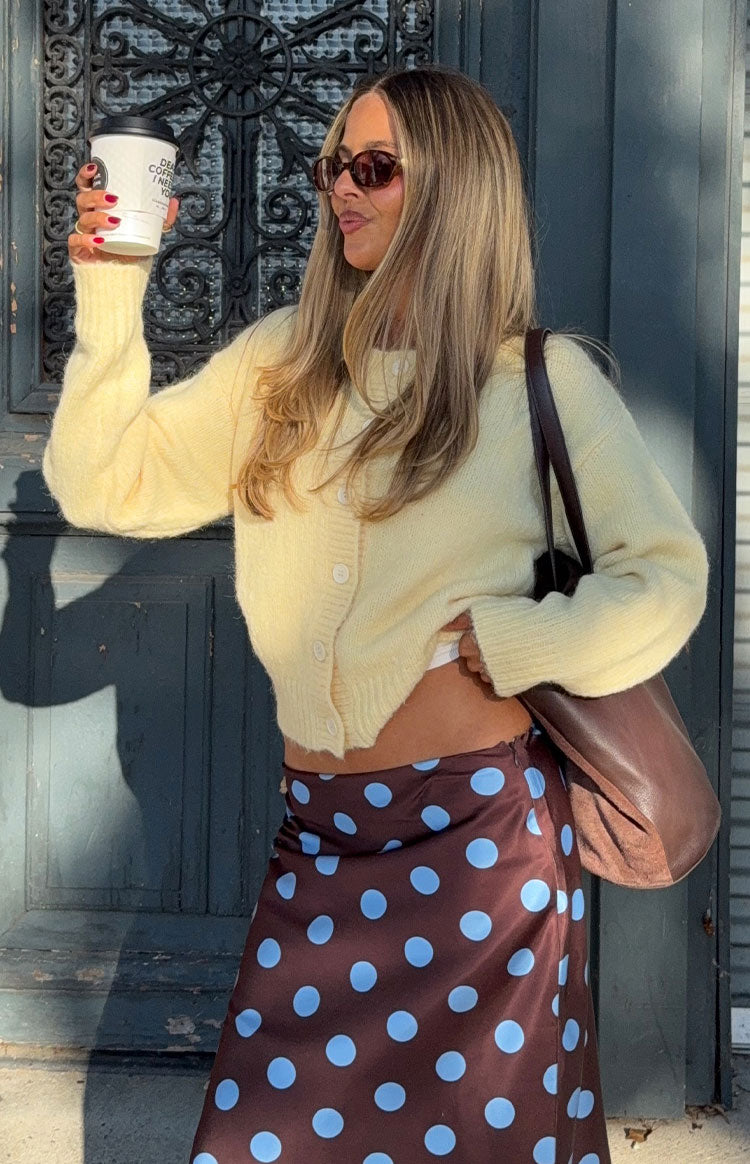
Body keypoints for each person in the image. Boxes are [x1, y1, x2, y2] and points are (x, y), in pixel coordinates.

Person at [46, 64, 708, 1164]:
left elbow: (666, 577)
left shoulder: (539, 382)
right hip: (323, 838)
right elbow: (105, 482)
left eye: (373, 168)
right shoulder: (279, 369)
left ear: (453, 191)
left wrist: (513, 641)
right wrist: (112, 281)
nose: (341, 190)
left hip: (486, 856)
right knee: (270, 1140)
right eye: (332, 166)